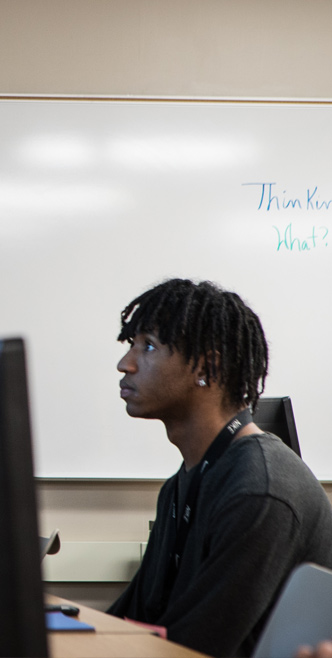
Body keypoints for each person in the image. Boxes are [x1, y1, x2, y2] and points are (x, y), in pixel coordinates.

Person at [107, 278, 332, 658]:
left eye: (148, 346)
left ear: (206, 368)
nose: (125, 364)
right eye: (132, 345)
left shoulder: (260, 492)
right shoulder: (182, 485)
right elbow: (134, 619)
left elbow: (192, 648)